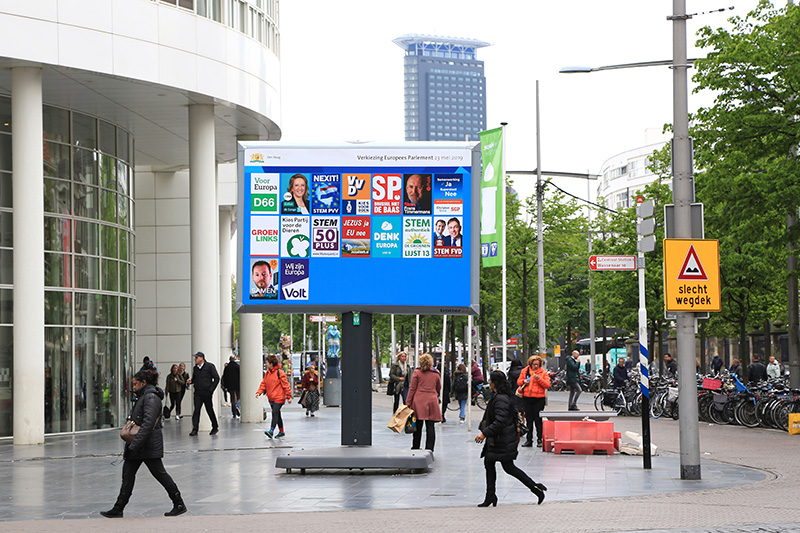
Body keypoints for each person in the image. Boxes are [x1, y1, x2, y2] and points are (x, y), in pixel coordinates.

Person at [101, 369, 186, 518]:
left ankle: (179, 503)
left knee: (160, 474)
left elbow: (148, 424)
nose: (133, 387)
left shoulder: (150, 397)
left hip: (147, 445)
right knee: (128, 475)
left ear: (143, 383)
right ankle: (118, 508)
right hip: (139, 445)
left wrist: (135, 444)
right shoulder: (144, 396)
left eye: (135, 384)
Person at [475, 370, 547, 507]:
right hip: (500, 439)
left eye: (490, 380)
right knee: (490, 463)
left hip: (502, 439)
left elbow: (500, 421)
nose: (489, 383)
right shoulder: (500, 396)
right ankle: (491, 495)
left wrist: (484, 433)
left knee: (507, 467)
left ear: (495, 383)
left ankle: (535, 488)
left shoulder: (501, 399)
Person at [406, 353, 442, 452]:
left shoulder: (417, 372)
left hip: (419, 401)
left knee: (417, 426)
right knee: (430, 426)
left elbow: (412, 389)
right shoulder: (436, 373)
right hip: (432, 401)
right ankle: (429, 449)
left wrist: (408, 403)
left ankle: (416, 447)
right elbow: (439, 387)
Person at [517, 355, 551, 448]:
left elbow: (547, 385)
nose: (536, 366)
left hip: (539, 399)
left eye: (537, 364)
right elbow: (519, 381)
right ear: (530, 364)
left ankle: (540, 439)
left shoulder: (543, 372)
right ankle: (529, 440)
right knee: (529, 419)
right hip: (527, 398)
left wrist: (539, 379)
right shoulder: (525, 371)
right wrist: (524, 381)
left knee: (538, 420)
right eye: (534, 364)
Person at [255, 354, 292, 438]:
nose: (266, 364)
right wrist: (259, 392)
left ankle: (271, 430)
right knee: (277, 414)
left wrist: (289, 396)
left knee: (274, 412)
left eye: (267, 362)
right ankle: (281, 431)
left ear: (271, 364)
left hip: (279, 397)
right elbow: (263, 384)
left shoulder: (280, 373)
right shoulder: (268, 373)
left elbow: (286, 385)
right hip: (271, 398)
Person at [188, 352, 219, 436]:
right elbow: (195, 379)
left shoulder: (210, 366)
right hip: (198, 392)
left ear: (201, 358)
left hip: (207, 392)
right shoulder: (195, 368)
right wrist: (191, 381)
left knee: (209, 410)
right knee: (196, 410)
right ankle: (195, 429)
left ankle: (215, 427)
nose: (195, 359)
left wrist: (211, 390)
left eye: (196, 357)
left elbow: (216, 378)